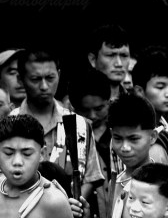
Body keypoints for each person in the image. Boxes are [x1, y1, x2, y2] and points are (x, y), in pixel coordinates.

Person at [6, 50, 104, 203]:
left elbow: (90, 177)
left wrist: (72, 204)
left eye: (50, 78)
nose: (44, 86)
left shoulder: (79, 125)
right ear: (21, 79)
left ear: (58, 75)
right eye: (35, 79)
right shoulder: (8, 125)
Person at [87, 24, 131, 101]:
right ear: (93, 59)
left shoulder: (137, 104)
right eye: (111, 55)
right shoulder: (75, 104)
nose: (119, 64)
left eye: (124, 55)